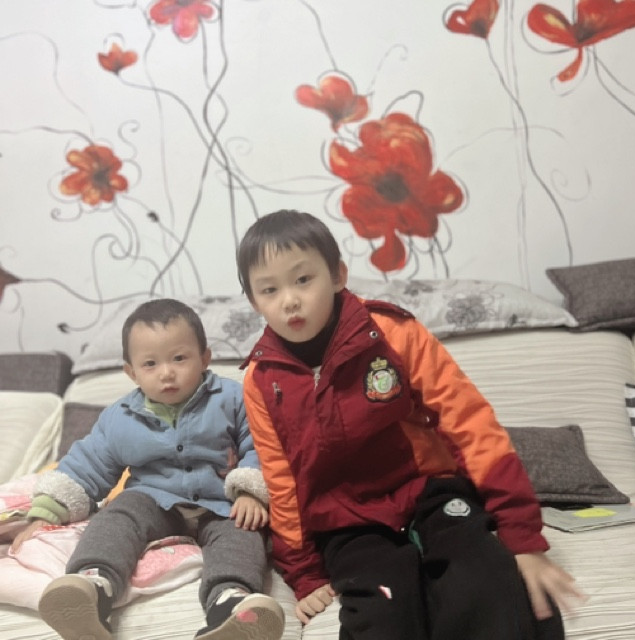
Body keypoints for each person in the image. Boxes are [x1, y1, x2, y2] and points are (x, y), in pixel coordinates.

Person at [235, 209, 583, 640]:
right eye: (269, 290)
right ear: (254, 301)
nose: (289, 300)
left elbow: (469, 423)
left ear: (338, 275)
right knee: (383, 610)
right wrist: (304, 572)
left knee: (485, 581)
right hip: (347, 522)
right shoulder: (259, 380)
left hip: (430, 492)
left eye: (303, 279)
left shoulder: (393, 332)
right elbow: (282, 478)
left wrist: (521, 534)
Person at [10, 298, 285, 640]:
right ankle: (93, 586)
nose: (166, 372)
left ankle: (230, 602)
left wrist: (250, 492)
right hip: (154, 499)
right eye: (151, 364)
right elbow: (89, 463)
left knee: (243, 531)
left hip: (221, 502)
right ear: (132, 372)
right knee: (119, 514)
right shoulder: (120, 417)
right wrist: (48, 511)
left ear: (205, 358)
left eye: (179, 358)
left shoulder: (233, 398)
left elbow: (260, 444)